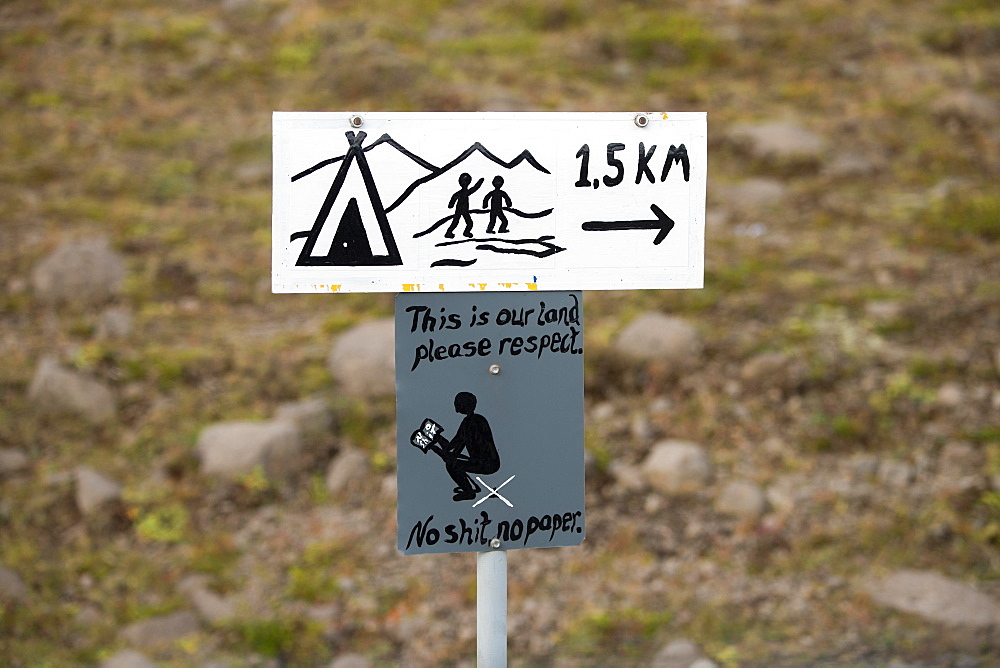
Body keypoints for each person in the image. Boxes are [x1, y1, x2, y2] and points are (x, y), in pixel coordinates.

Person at [425, 392, 500, 501]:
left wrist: (434, 447)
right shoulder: (469, 421)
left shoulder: (473, 423)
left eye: (457, 403)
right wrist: (438, 438)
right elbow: (454, 443)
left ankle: (469, 491)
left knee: (452, 465)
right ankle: (467, 488)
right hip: (479, 460)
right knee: (452, 461)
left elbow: (457, 447)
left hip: (487, 463)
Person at [446, 173, 484, 238]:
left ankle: (465, 232)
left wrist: (451, 205)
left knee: (466, 223)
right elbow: (474, 188)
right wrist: (480, 182)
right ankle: (450, 232)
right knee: (459, 222)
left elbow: (474, 188)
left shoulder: (462, 192)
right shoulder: (464, 192)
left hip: (463, 210)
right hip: (461, 209)